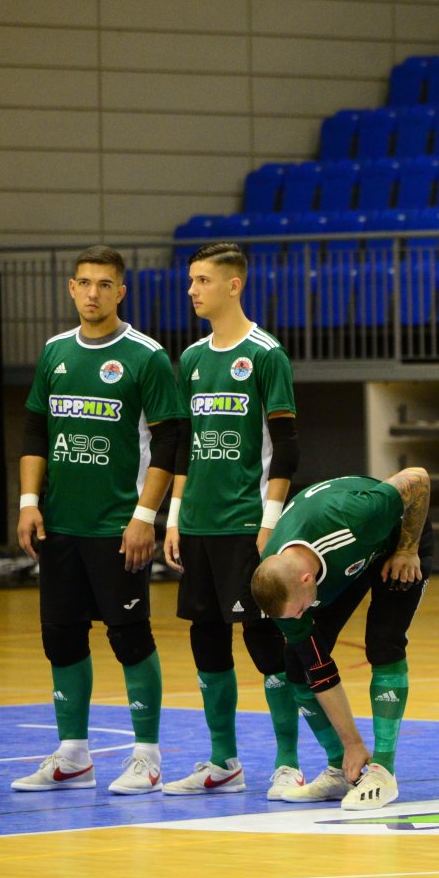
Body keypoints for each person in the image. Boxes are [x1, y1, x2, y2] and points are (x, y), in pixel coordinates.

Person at [12, 246, 183, 796]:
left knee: (130, 637)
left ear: (121, 292)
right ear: (70, 288)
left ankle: (147, 757)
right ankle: (73, 755)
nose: (92, 293)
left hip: (118, 527)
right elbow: (36, 432)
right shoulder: (55, 352)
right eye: (84, 283)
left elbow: (169, 444)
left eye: (104, 284)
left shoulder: (146, 357)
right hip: (61, 526)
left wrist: (144, 517)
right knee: (61, 637)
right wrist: (28, 502)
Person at [159, 243, 302, 799]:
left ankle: (287, 763)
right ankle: (223, 761)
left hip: (247, 524)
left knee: (264, 643)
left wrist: (269, 523)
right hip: (197, 527)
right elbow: (184, 450)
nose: (192, 290)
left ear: (234, 284)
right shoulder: (191, 359)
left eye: (201, 280)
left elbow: (286, 449)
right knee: (206, 640)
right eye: (191, 280)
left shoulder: (267, 354)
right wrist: (174, 517)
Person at [249, 469, 433, 811]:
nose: (298, 618)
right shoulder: (277, 585)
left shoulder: (357, 516)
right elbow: (319, 667)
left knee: (384, 643)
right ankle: (340, 768)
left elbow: (417, 477)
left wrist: (408, 548)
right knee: (298, 664)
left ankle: (383, 772)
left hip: (394, 541)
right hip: (345, 566)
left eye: (301, 608)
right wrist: (351, 743)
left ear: (306, 581)